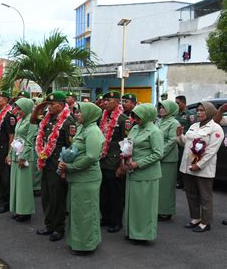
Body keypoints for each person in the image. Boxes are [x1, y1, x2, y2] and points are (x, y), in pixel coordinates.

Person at [58, 102, 104, 255]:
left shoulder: (93, 131)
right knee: (77, 211)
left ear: (89, 114)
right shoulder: (82, 128)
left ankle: (86, 245)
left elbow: (91, 157)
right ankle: (78, 241)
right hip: (78, 177)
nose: (76, 114)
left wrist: (70, 167)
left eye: (80, 112)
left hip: (87, 178)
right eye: (75, 111)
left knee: (86, 212)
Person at [31, 91, 75, 242]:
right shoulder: (47, 119)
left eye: (52, 104)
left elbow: (71, 147)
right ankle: (49, 224)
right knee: (47, 197)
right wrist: (39, 106)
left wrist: (65, 168)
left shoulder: (68, 122)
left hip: (58, 165)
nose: (49, 107)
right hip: (46, 162)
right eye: (48, 104)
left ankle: (58, 228)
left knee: (57, 198)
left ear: (61, 105)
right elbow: (32, 120)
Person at [176, 101, 224, 232]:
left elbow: (211, 151)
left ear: (209, 112)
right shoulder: (194, 126)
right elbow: (186, 143)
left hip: (202, 169)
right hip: (187, 167)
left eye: (202, 110)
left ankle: (205, 222)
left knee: (205, 196)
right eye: (197, 110)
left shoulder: (215, 128)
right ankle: (195, 218)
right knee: (191, 194)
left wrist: (199, 165)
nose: (199, 113)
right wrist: (179, 135)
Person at [123, 103, 163, 243]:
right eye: (134, 116)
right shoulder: (135, 128)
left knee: (144, 206)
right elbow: (128, 144)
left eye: (138, 116)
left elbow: (158, 153)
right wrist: (125, 156)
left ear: (147, 116)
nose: (135, 119)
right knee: (133, 204)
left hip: (146, 173)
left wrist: (138, 163)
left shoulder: (154, 131)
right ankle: (132, 231)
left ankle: (143, 234)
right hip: (132, 171)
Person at [99, 90, 129, 233]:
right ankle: (105, 218)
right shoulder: (102, 117)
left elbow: (126, 144)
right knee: (103, 192)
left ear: (117, 102)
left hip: (115, 162)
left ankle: (116, 221)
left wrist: (122, 166)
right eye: (104, 101)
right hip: (102, 160)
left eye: (109, 101)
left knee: (115, 193)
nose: (105, 103)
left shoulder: (123, 120)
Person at [9, 98, 38, 222]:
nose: (18, 111)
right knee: (17, 184)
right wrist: (10, 154)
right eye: (17, 108)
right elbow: (16, 137)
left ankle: (25, 212)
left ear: (26, 108)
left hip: (25, 157)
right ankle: (18, 209)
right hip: (17, 154)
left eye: (20, 108)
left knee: (24, 186)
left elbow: (30, 141)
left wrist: (23, 157)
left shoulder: (32, 121)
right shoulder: (21, 120)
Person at [156, 100, 180, 221]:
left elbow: (172, 141)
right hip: (158, 156)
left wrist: (159, 153)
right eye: (160, 107)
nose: (161, 110)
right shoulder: (159, 121)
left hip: (168, 158)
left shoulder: (174, 123)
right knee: (159, 186)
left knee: (166, 187)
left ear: (170, 109)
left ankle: (166, 211)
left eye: (164, 108)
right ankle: (158, 209)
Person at [175, 95, 197, 189]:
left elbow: (194, 128)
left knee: (185, 161)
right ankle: (179, 181)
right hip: (177, 141)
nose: (176, 105)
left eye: (178, 103)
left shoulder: (190, 114)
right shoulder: (176, 114)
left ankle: (185, 183)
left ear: (183, 103)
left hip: (186, 141)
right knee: (178, 161)